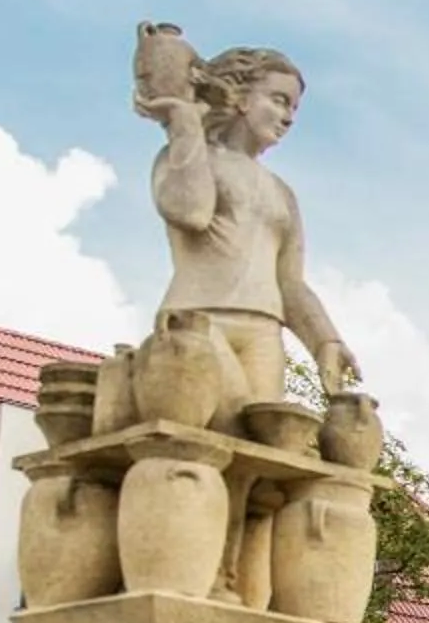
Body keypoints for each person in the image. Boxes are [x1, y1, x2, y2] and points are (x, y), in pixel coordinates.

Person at [138, 44, 357, 410]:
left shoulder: (282, 193)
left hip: (264, 330)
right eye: (279, 100)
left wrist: (325, 342)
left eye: (293, 108)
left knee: (261, 438)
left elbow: (290, 282)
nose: (289, 117)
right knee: (224, 422)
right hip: (198, 316)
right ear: (239, 98)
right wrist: (185, 123)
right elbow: (190, 211)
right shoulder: (188, 155)